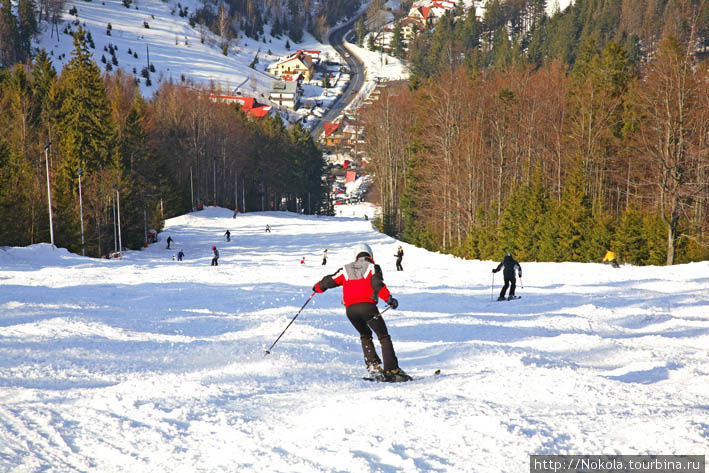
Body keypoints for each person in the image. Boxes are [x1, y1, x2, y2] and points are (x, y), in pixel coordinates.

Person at [313, 243, 411, 382]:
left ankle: (373, 367)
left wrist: (318, 288)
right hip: (368, 308)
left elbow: (330, 280)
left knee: (365, 335)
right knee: (383, 336)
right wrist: (389, 299)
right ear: (370, 255)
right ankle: (392, 370)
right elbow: (377, 285)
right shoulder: (372, 267)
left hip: (351, 311)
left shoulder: (345, 269)